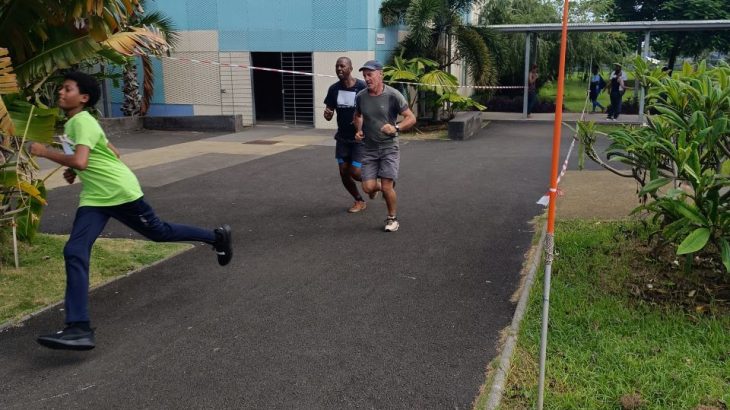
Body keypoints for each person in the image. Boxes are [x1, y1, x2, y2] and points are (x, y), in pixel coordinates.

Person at [29, 71, 233, 351]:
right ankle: (78, 328)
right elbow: (111, 152)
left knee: (159, 233)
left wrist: (44, 152)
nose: (61, 93)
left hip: (120, 193)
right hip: (95, 198)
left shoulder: (82, 121)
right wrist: (74, 168)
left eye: (67, 89)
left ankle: (217, 237)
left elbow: (83, 160)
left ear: (83, 97)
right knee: (74, 251)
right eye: (61, 89)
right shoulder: (78, 123)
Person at [353, 60, 416, 232]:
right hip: (369, 148)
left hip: (389, 147)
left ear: (381, 74)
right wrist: (358, 130)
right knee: (368, 187)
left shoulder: (393, 95)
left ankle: (392, 219)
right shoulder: (361, 96)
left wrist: (396, 128)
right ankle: (381, 188)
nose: (367, 78)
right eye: (364, 75)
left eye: (370, 75)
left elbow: (411, 118)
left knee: (387, 186)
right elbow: (357, 115)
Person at [323, 57, 368, 213]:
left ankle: (372, 184)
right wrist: (327, 114)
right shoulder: (334, 89)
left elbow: (370, 109)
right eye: (337, 66)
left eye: (342, 66)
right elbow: (328, 113)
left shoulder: (362, 87)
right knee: (343, 171)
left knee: (355, 172)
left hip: (359, 137)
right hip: (342, 138)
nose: (339, 69)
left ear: (350, 68)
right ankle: (359, 200)